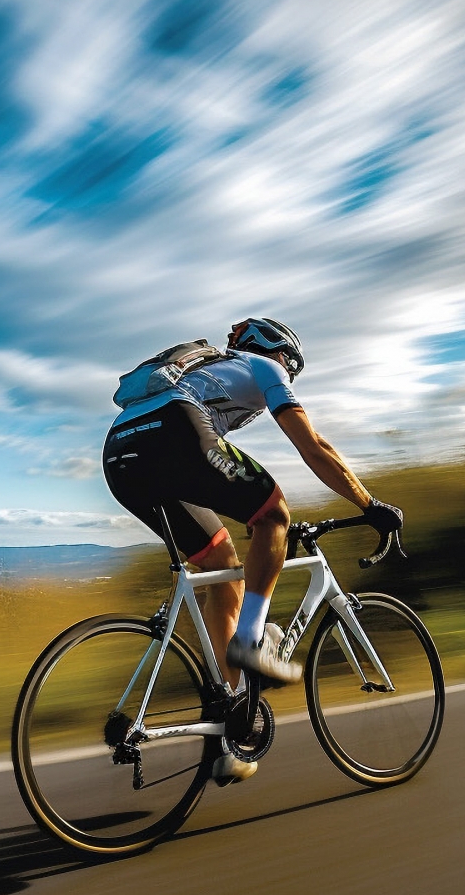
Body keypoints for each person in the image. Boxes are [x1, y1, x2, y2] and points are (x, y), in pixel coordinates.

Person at [101, 317, 400, 783]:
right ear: (280, 352)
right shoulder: (265, 367)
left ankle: (227, 731)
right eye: (292, 369)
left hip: (119, 450)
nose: (290, 378)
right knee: (274, 515)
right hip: (175, 429)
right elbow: (313, 446)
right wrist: (368, 503)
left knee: (222, 566)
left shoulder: (209, 367)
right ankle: (250, 639)